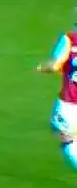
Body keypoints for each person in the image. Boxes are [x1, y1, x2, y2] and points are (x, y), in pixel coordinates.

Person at [35, 20, 77, 172]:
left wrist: (40, 67)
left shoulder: (70, 40)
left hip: (70, 105)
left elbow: (54, 66)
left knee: (66, 138)